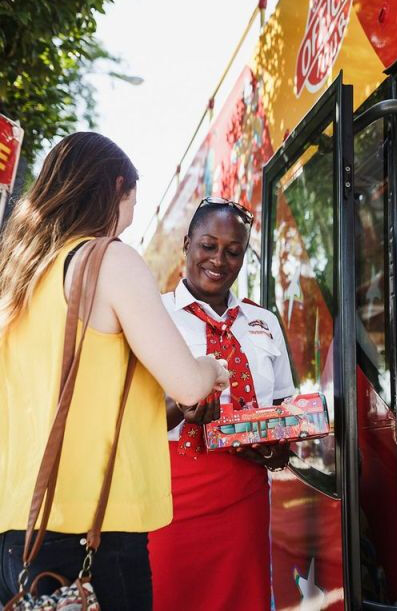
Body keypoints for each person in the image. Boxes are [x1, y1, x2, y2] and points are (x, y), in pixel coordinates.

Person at [0, 133, 229, 610]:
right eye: (133, 202)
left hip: (14, 532)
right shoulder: (107, 259)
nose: (131, 218)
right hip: (90, 532)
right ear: (117, 187)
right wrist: (210, 368)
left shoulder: (20, 273)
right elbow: (187, 383)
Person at [147, 197, 295, 611]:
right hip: (170, 500)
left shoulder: (264, 322)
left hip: (245, 499)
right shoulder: (152, 316)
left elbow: (282, 408)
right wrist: (182, 407)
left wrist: (277, 447)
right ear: (187, 243)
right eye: (208, 245)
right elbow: (129, 418)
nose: (219, 259)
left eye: (233, 251)